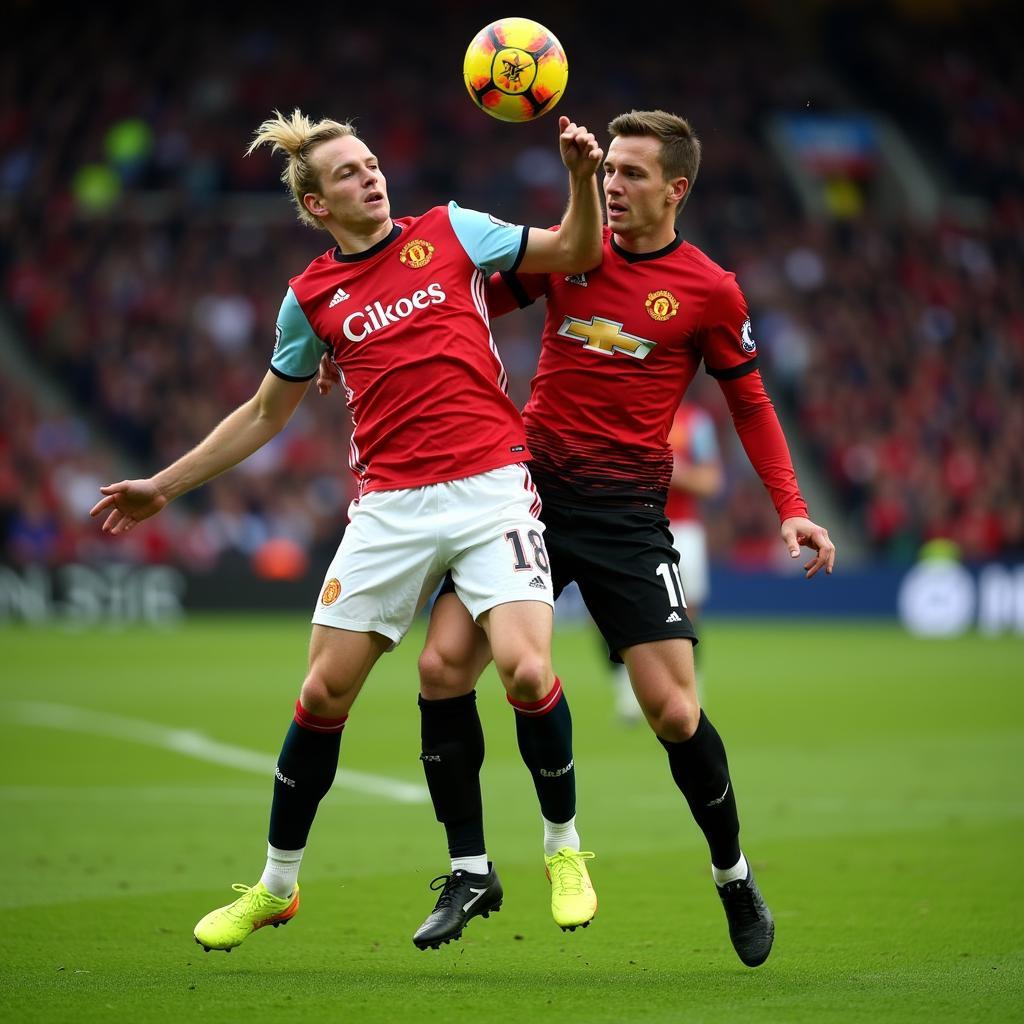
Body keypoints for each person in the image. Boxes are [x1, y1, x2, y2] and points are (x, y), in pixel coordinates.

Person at [90, 107, 606, 952]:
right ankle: (276, 886)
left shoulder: (453, 230)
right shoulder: (310, 299)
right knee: (324, 694)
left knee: (525, 668)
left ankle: (563, 848)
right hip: (390, 510)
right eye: (348, 173)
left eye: (370, 162)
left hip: (490, 492)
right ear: (319, 206)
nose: (369, 175)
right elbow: (264, 413)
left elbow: (576, 252)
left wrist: (582, 181)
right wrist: (164, 485)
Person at [353, 109, 836, 968]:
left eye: (632, 174)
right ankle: (471, 867)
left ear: (676, 189)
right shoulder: (574, 254)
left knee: (673, 710)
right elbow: (447, 305)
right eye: (608, 170)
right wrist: (346, 346)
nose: (612, 185)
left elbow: (750, 402)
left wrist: (790, 504)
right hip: (527, 494)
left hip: (624, 514)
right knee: (440, 668)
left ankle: (732, 873)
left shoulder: (709, 290)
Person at [612, 398, 724, 723]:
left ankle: (692, 690)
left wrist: (672, 471)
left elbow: (711, 481)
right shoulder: (630, 413)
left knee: (686, 614)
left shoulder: (695, 422)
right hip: (634, 522)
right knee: (615, 607)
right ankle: (627, 693)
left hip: (683, 529)